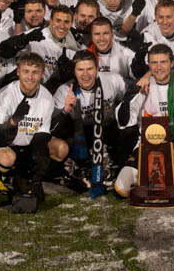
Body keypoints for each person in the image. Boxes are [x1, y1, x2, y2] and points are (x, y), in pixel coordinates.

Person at [0, 53, 69, 209]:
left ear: (42, 74)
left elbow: (42, 134)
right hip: (6, 144)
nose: (30, 77)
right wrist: (14, 121)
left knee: (61, 148)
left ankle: (26, 179)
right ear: (18, 72)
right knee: (7, 158)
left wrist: (36, 173)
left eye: (35, 72)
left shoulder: (46, 97)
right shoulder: (5, 96)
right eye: (26, 71)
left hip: (28, 144)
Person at [113, 44, 174, 198]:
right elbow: (124, 123)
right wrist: (128, 98)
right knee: (121, 190)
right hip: (145, 148)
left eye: (163, 62)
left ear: (172, 63)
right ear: (149, 65)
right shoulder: (142, 87)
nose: (159, 67)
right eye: (154, 63)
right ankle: (153, 175)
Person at [51, 51, 130, 194]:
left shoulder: (113, 80)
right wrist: (66, 109)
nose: (85, 74)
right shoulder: (64, 91)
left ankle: (110, 166)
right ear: (74, 71)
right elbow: (53, 129)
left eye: (90, 69)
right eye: (80, 69)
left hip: (105, 128)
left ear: (97, 68)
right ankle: (79, 170)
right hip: (78, 132)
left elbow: (131, 95)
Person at [0, 5, 80, 90]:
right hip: (21, 89)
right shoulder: (35, 36)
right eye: (58, 21)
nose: (62, 26)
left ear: (71, 24)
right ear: (51, 21)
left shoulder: (73, 46)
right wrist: (24, 39)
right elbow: (2, 51)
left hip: (45, 92)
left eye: (66, 22)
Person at [140, 0, 174, 71]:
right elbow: (151, 67)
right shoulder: (147, 34)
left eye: (168, 17)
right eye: (161, 17)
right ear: (155, 17)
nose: (164, 22)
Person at [87, 17, 136, 82]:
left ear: (112, 35)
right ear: (92, 37)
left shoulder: (126, 53)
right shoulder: (85, 53)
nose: (101, 38)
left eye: (106, 33)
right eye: (97, 34)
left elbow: (138, 76)